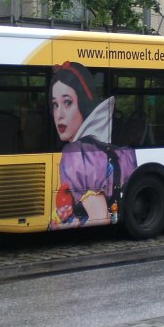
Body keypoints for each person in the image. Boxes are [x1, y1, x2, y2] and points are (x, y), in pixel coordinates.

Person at [50, 61, 137, 229]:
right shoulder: (115, 151)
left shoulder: (76, 154)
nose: (59, 114)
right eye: (55, 105)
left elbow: (100, 218)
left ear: (83, 104)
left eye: (67, 102)